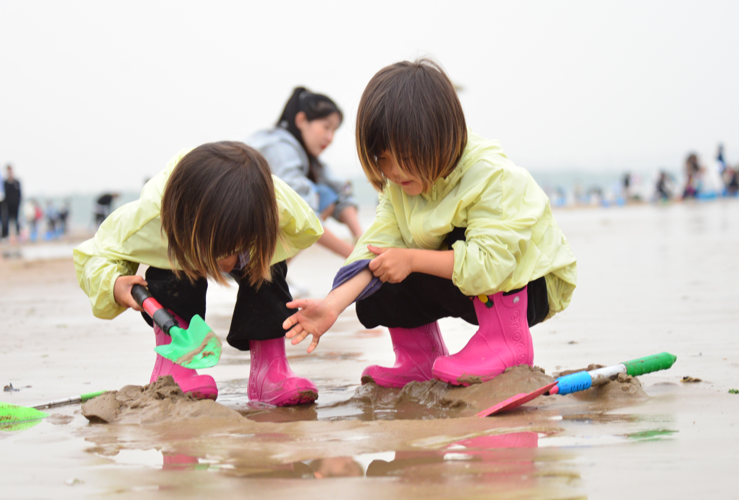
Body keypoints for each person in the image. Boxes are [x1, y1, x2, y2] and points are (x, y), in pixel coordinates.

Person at [281, 59, 577, 388]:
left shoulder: (492, 175)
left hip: (527, 287)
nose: (393, 171)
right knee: (377, 267)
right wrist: (332, 305)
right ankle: (418, 359)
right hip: (467, 282)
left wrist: (411, 259)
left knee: (432, 243)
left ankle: (507, 344)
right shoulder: (399, 186)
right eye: (383, 158)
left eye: (404, 156)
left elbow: (492, 262)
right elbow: (372, 248)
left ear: (440, 137)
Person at [73, 142, 324, 406]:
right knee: (174, 270)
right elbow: (94, 254)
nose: (228, 261)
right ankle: (174, 369)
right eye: (222, 250)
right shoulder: (150, 218)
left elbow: (306, 229)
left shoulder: (281, 208)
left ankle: (270, 370)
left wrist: (251, 252)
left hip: (256, 227)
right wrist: (114, 285)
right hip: (178, 247)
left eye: (236, 248)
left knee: (270, 268)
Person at [246, 88, 364, 258]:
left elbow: (341, 190)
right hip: (230, 238)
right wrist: (355, 257)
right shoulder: (280, 150)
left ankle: (274, 274)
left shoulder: (306, 156)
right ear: (301, 120)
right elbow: (304, 218)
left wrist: (360, 238)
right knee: (313, 201)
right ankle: (265, 277)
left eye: (334, 131)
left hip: (251, 234)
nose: (330, 137)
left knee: (326, 194)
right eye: (326, 127)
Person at [2, 165, 22, 241]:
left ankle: (18, 235)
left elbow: (20, 194)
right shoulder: (4, 183)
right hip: (7, 205)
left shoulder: (17, 182)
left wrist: (18, 202)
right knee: (5, 220)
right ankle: (5, 236)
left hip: (16, 205)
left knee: (16, 220)